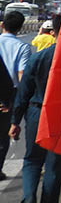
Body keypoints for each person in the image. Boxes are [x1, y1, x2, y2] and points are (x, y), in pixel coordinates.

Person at [9, 14, 61, 203]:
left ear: (54, 32)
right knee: (54, 167)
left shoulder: (38, 57)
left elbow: (23, 93)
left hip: (36, 113)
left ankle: (29, 199)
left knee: (32, 160)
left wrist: (15, 121)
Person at [0, 10, 32, 180]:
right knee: (3, 133)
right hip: (9, 95)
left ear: (2, 25)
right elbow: (22, 75)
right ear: (20, 28)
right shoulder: (22, 47)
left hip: (7, 93)